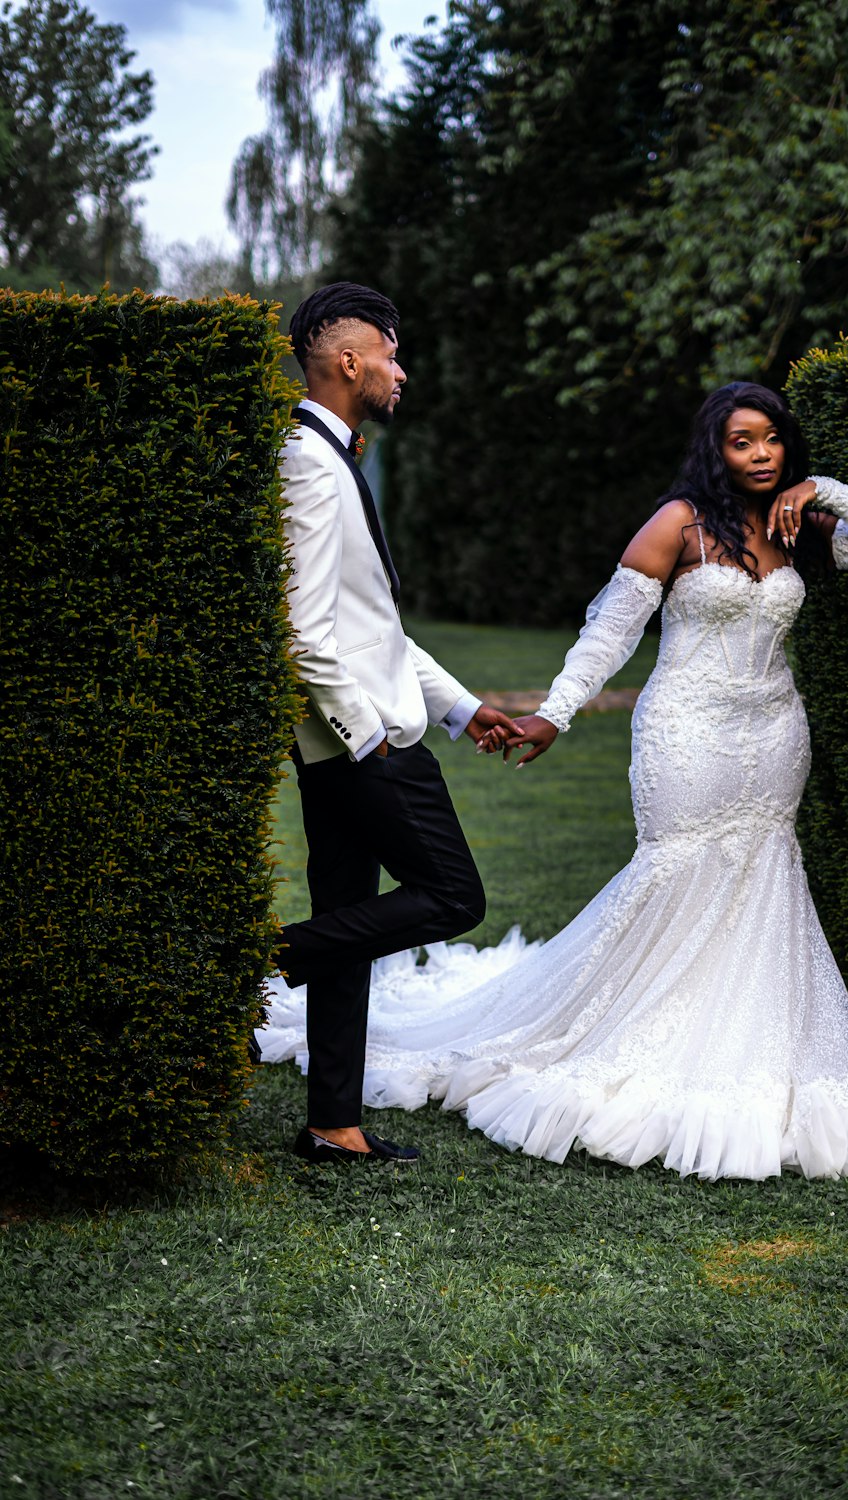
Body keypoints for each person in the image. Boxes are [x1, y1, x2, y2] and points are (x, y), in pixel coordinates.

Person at [264, 380, 848, 1181]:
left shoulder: (804, 524)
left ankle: (740, 1041)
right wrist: (556, 714)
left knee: (763, 875)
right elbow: (610, 632)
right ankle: (634, 1033)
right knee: (676, 870)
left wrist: (824, 490)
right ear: (715, 448)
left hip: (775, 732)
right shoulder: (680, 524)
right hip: (687, 730)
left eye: (772, 440)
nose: (759, 455)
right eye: (741, 442)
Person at [273, 281, 519, 1167]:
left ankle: (332, 1125)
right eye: (390, 352)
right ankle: (259, 959)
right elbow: (302, 630)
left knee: (351, 915)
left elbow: (372, 626)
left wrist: (464, 709)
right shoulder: (307, 461)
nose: (399, 370)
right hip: (362, 746)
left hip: (344, 745)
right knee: (455, 897)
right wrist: (367, 737)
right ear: (349, 361)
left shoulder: (332, 457)